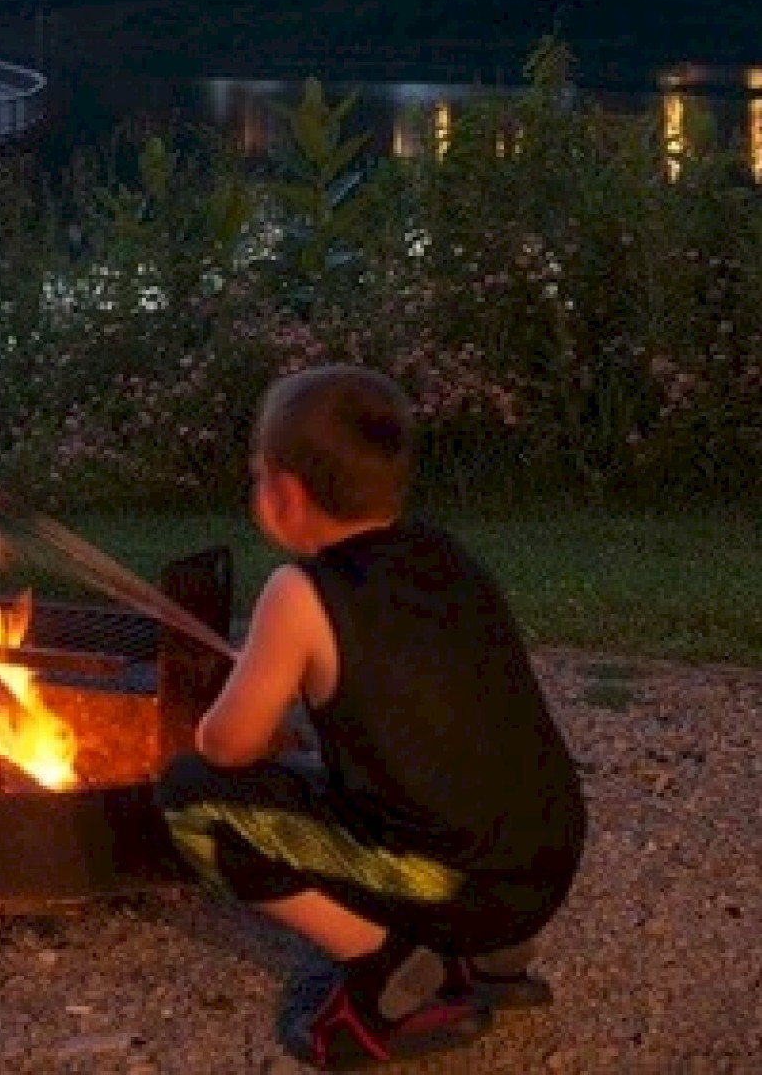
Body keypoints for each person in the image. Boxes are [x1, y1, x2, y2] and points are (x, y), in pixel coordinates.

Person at [157, 365, 586, 1070]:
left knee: (193, 800)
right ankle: (493, 958)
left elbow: (224, 746)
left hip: (451, 883)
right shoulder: (447, 555)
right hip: (546, 859)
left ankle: (390, 967)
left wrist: (256, 692)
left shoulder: (299, 590)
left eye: (258, 475)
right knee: (375, 790)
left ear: (286, 495)